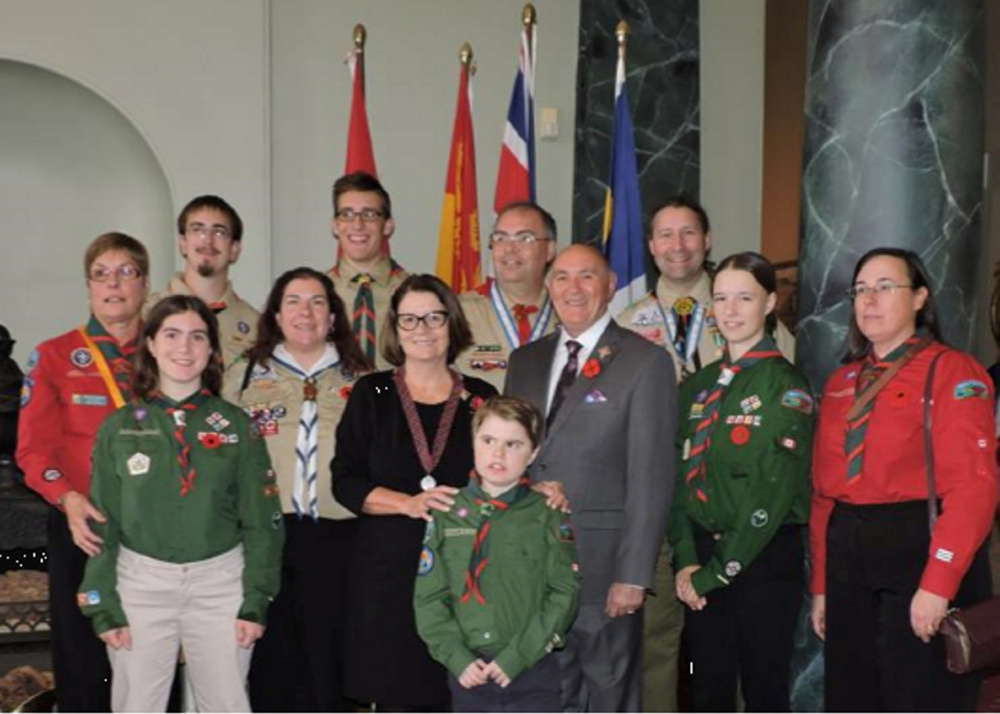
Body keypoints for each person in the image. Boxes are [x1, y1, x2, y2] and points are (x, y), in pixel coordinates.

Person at [616, 195, 796, 711]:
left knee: (757, 672)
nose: (678, 245)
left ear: (708, 239)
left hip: (750, 528)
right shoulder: (629, 322)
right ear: (650, 247)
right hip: (673, 510)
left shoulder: (750, 320)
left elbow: (776, 423)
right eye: (666, 235)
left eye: (689, 232)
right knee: (685, 658)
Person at [810, 247, 998, 712]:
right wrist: (821, 586)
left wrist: (938, 583)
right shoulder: (841, 382)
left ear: (919, 298)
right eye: (860, 290)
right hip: (847, 554)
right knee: (850, 693)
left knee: (916, 694)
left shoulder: (952, 371)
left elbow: (974, 488)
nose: (869, 300)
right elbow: (822, 496)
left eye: (884, 287)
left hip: (917, 549)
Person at [77, 295, 284, 712]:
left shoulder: (237, 425)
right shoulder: (120, 427)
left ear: (211, 349)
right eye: (171, 334)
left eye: (197, 336)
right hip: (140, 582)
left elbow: (262, 521)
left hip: (221, 584)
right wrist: (103, 602)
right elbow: (103, 519)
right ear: (151, 343)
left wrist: (255, 599)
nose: (184, 348)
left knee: (226, 705)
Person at [505, 244, 677, 712]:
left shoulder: (645, 362)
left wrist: (633, 574)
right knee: (546, 695)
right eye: (561, 277)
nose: (572, 288)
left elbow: (652, 476)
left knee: (608, 697)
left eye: (586, 276)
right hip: (534, 568)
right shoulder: (524, 361)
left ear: (610, 285)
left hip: (604, 571)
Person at [332, 274, 497, 710]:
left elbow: (502, 479)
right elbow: (345, 481)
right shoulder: (375, 391)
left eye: (433, 317)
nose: (422, 329)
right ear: (395, 328)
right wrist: (406, 503)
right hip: (388, 572)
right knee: (396, 691)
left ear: (452, 323)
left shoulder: (480, 397)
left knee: (458, 693)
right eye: (409, 320)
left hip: (463, 571)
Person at [224, 267, 373, 712]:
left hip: (341, 537)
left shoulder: (364, 377)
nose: (304, 312)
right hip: (269, 536)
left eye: (317, 302)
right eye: (293, 301)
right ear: (275, 313)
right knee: (275, 662)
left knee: (335, 660)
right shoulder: (244, 374)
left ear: (332, 317)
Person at [671, 252, 814, 711]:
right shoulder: (698, 387)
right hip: (702, 558)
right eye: (721, 298)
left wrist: (717, 572)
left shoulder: (784, 385)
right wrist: (687, 561)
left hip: (762, 559)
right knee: (703, 685)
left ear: (770, 303)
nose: (730, 310)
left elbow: (771, 493)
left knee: (764, 690)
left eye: (745, 298)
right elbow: (677, 477)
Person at [17, 232, 150, 712]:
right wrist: (69, 500)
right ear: (89, 287)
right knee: (83, 659)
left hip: (154, 530)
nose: (113, 284)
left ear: (145, 284)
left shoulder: (167, 353)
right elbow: (31, 451)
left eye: (126, 272)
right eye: (101, 274)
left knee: (152, 656)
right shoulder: (54, 355)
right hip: (82, 526)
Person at [414, 395, 581, 712]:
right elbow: (428, 597)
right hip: (468, 671)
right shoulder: (446, 512)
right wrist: (456, 657)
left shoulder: (547, 513)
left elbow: (564, 592)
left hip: (531, 667)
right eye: (488, 440)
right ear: (473, 443)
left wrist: (518, 655)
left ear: (533, 453)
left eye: (513, 444)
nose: (498, 453)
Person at [147, 195, 260, 369]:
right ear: (183, 243)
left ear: (234, 249)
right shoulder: (146, 313)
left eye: (219, 232)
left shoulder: (256, 326)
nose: (207, 240)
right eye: (198, 229)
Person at [457, 202, 558, 391]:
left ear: (550, 250)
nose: (510, 248)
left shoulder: (567, 315)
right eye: (500, 238)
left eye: (525, 238)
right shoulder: (459, 313)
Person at [328, 171, 409, 369]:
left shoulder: (413, 293)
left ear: (388, 226)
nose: (357, 225)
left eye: (369, 214)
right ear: (335, 226)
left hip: (395, 398)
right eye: (347, 214)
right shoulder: (316, 294)